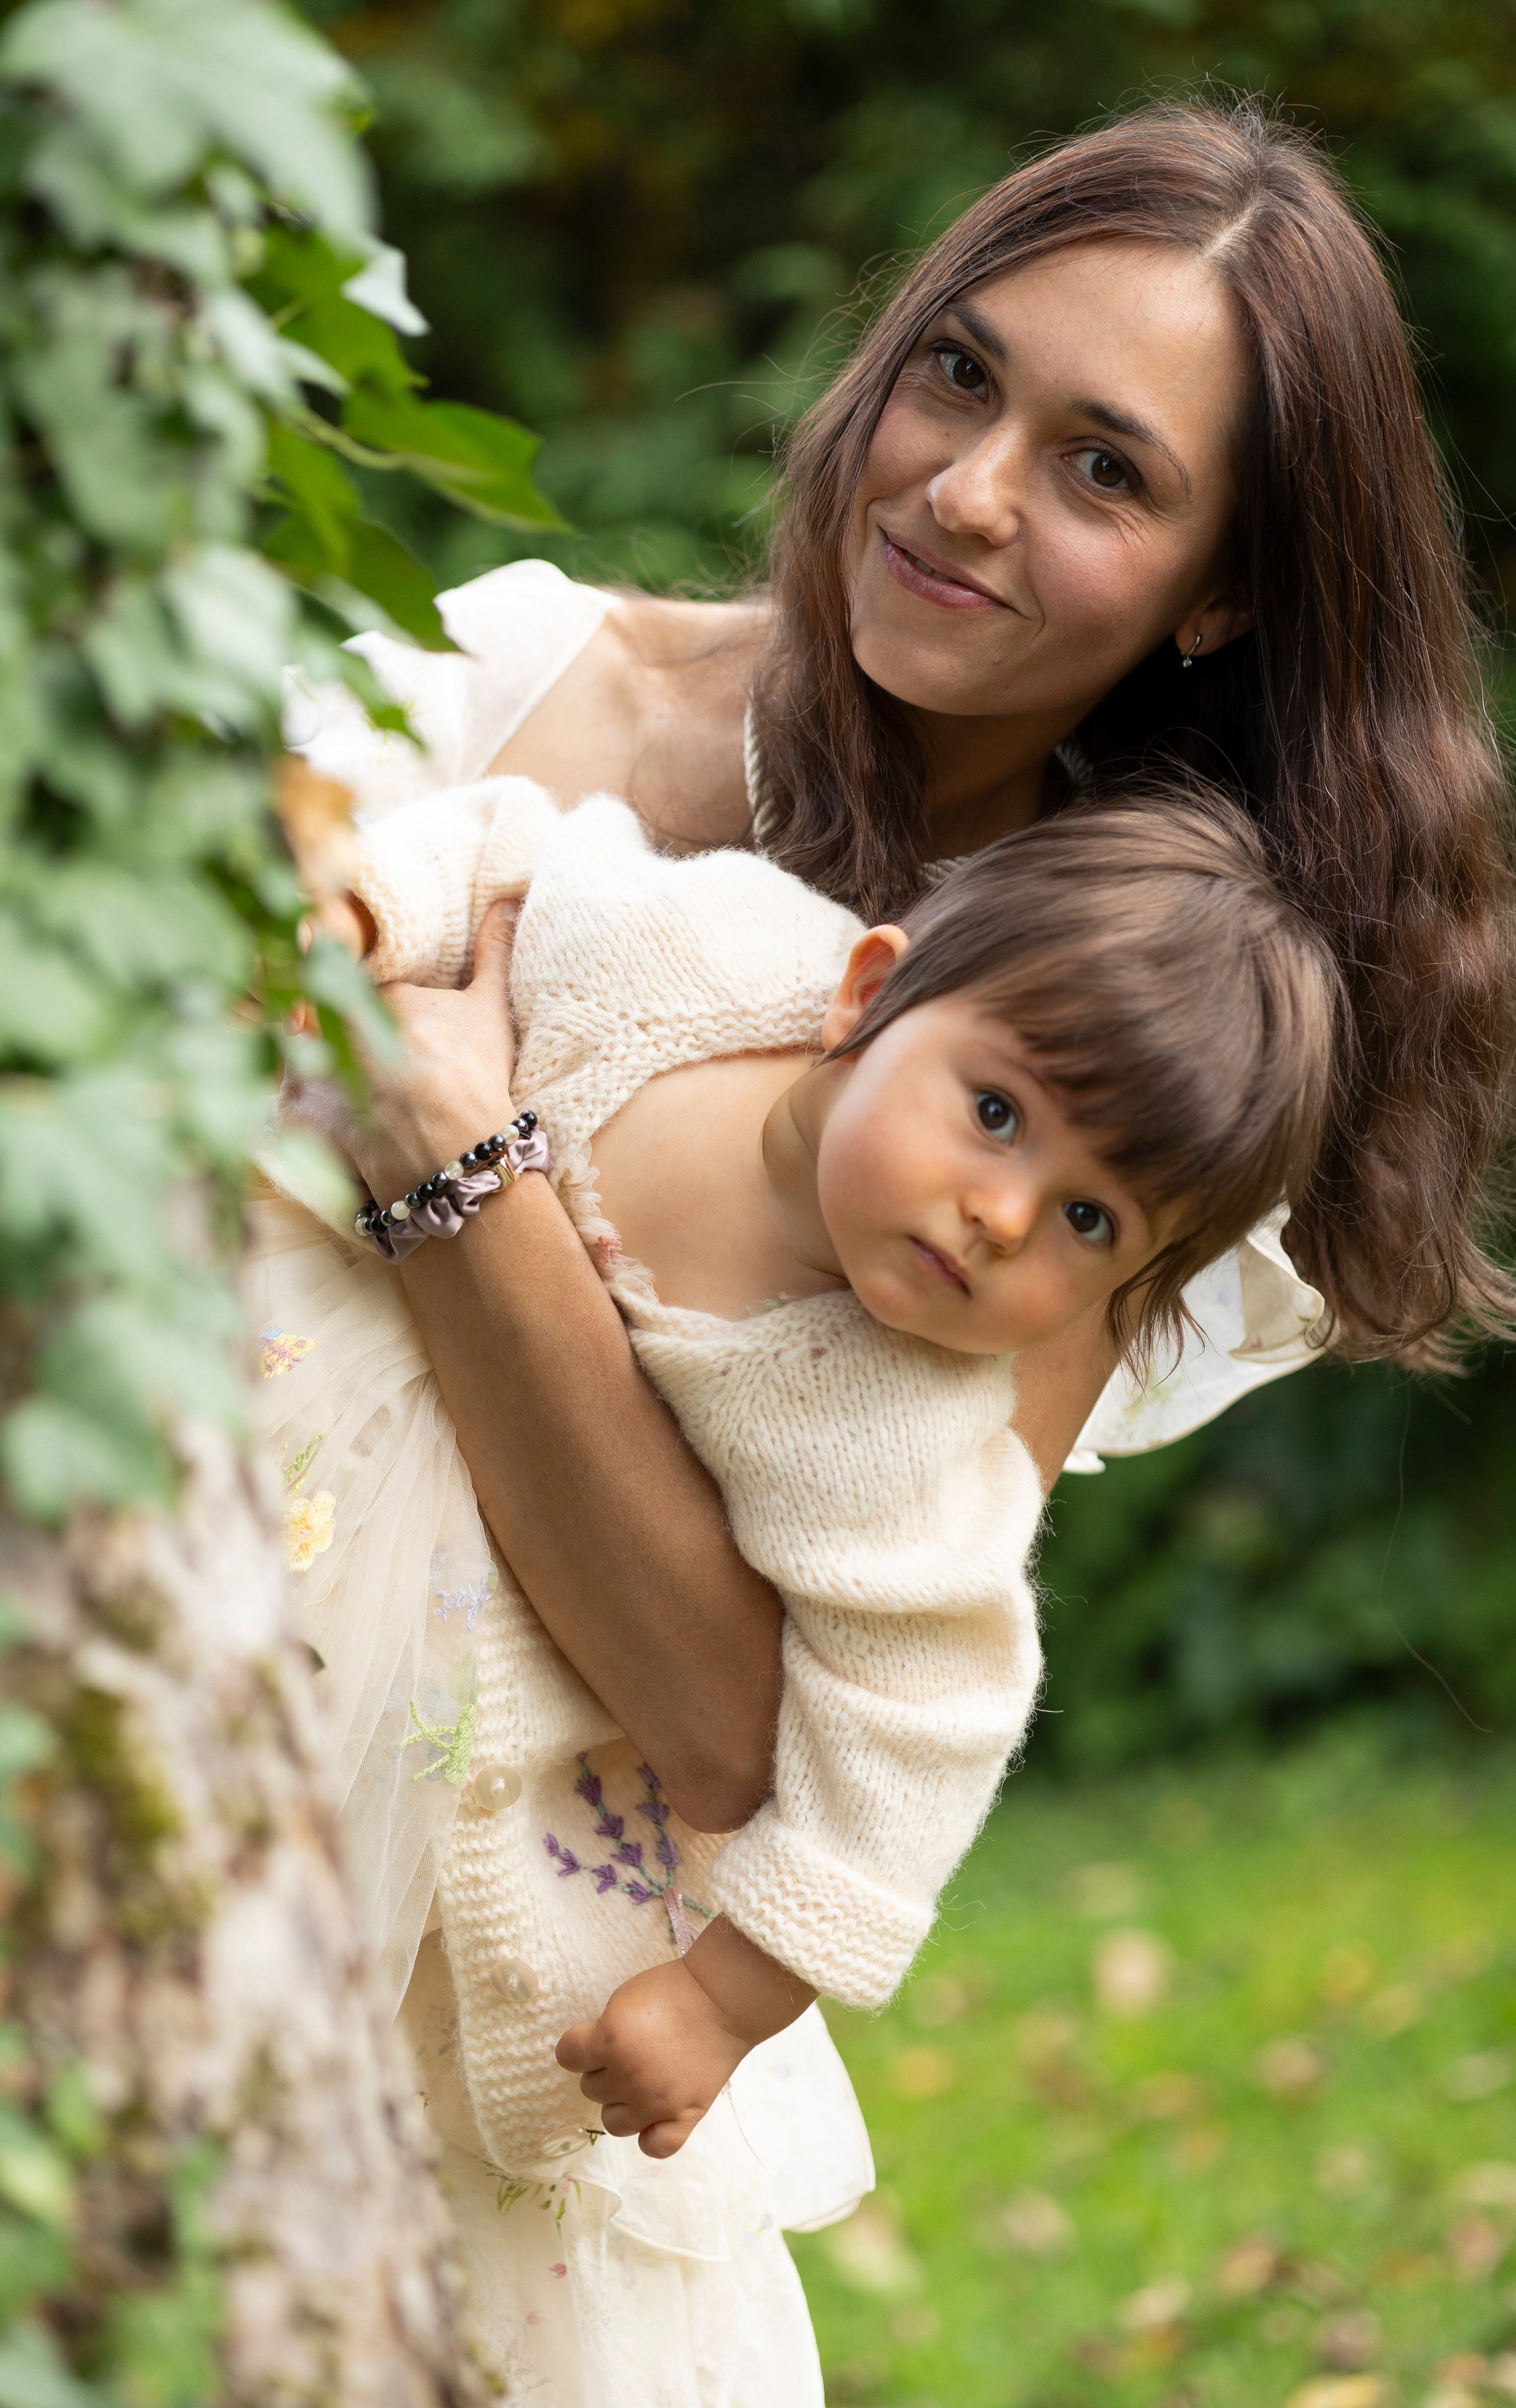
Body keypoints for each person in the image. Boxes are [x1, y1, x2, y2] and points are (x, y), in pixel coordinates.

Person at [285, 102, 1516, 1903]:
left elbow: (739, 1740)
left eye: (1108, 471)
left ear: (1226, 588)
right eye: (957, 374)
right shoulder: (499, 687)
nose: (966, 489)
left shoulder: (1089, 1072)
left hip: (471, 1923)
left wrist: (459, 1172)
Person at [251, 776, 1342, 2404]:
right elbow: (510, 857)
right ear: (864, 993)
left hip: (461, 1711)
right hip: (283, 1440)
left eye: (1088, 1220)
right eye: (997, 1112)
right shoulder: (705, 956)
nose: (1000, 1212)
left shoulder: (893, 1434)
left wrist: (723, 2001)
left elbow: (910, 1742)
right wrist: (368, 916)